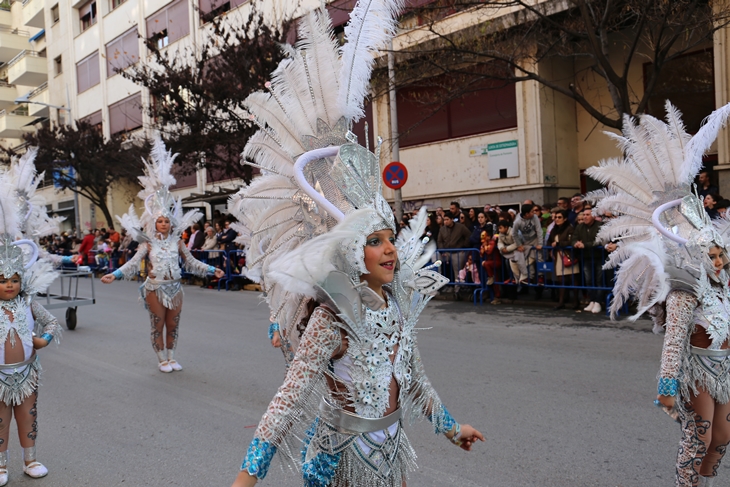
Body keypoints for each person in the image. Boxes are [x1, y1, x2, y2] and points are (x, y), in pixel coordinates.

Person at [229, 5, 483, 485]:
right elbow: (287, 401)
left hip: (391, 454)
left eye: (390, 238)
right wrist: (246, 478)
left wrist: (452, 429)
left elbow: (413, 380)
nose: (390, 250)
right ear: (351, 252)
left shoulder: (395, 303)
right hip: (340, 459)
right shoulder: (332, 317)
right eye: (374, 241)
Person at [585, 101, 730, 486]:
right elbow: (674, 340)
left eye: (720, 255)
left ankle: (703, 481)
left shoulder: (726, 289)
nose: (716, 261)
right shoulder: (686, 289)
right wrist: (667, 388)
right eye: (710, 255)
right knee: (698, 437)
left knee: (723, 437)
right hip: (696, 371)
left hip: (725, 371)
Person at [101, 137, 225, 373]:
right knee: (157, 324)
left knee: (173, 324)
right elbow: (132, 263)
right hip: (155, 288)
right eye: (160, 221)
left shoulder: (179, 242)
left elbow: (191, 262)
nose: (164, 224)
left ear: (171, 222)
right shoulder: (147, 244)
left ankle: (172, 356)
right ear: (154, 223)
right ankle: (161, 359)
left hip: (175, 287)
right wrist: (114, 275)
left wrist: (211, 270)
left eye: (167, 220)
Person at [571, 206, 604, 313]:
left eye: (587, 215)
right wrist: (576, 243)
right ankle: (592, 300)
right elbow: (574, 238)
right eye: (584, 215)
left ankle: (598, 301)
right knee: (589, 280)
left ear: (593, 216)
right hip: (586, 257)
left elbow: (600, 240)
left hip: (599, 257)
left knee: (599, 280)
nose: (585, 217)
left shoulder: (600, 226)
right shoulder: (580, 227)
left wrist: (585, 245)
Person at [548, 209, 580, 309]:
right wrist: (550, 249)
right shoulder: (554, 229)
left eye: (559, 217)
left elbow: (571, 241)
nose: (557, 219)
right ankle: (561, 301)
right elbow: (549, 241)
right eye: (555, 217)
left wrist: (558, 244)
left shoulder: (570, 228)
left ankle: (575, 300)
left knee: (573, 278)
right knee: (561, 279)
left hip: (568, 255)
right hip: (558, 256)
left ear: (565, 218)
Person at [513, 204, 543, 283]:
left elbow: (539, 230)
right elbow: (514, 234)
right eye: (532, 211)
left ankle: (541, 276)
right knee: (529, 259)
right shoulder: (517, 222)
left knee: (539, 257)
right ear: (527, 214)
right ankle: (530, 277)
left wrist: (540, 243)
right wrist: (519, 244)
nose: (534, 213)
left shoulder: (535, 217)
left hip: (535, 238)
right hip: (526, 241)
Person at [497, 220, 528, 285]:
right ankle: (517, 279)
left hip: (520, 250)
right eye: (498, 228)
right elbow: (499, 242)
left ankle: (524, 277)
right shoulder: (501, 234)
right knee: (513, 265)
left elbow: (517, 243)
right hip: (511, 252)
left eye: (500, 228)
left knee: (520, 263)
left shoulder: (514, 232)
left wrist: (507, 249)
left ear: (506, 227)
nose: (499, 230)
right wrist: (502, 248)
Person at [480, 228, 502, 304]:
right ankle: (496, 296)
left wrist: (485, 246)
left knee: (495, 279)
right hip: (491, 264)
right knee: (495, 280)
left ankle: (491, 277)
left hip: (496, 262)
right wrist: (483, 246)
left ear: (488, 236)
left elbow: (489, 252)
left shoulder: (492, 242)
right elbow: (481, 254)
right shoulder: (485, 243)